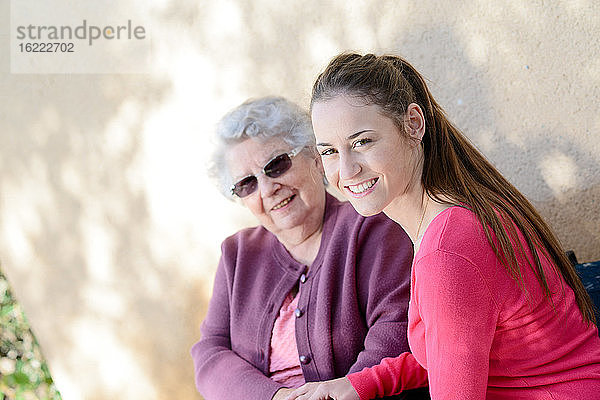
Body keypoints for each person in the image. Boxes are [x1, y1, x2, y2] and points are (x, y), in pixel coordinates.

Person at [286, 53, 600, 400]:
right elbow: (453, 348)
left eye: (362, 142)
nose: (346, 171)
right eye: (329, 151)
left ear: (413, 124)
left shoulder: (448, 251)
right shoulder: (454, 216)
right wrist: (360, 383)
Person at [190, 96, 429, 400]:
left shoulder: (371, 227)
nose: (267, 189)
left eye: (276, 165)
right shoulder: (237, 254)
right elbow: (209, 353)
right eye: (247, 184)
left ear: (315, 159)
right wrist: (274, 397)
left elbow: (395, 337)